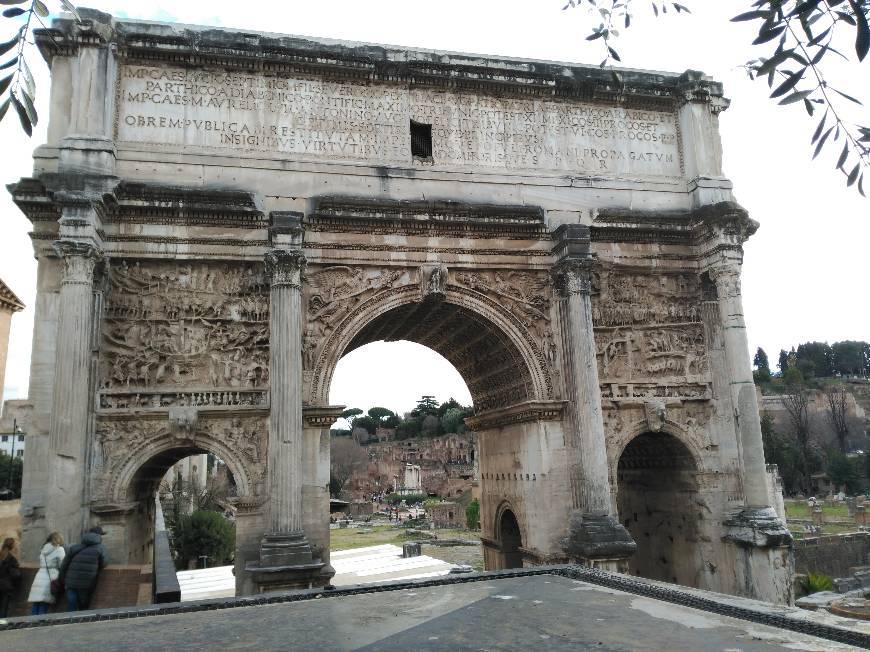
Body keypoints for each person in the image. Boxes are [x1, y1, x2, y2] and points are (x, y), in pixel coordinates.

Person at [59, 526, 107, 611]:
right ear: (99, 536)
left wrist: (62, 579)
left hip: (71, 581)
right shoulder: (100, 548)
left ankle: (70, 621)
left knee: (71, 604)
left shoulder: (74, 547)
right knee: (83, 606)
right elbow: (104, 563)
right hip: (87, 581)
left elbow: (64, 564)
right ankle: (81, 623)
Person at [27, 532, 66, 615]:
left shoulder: (43, 549)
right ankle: (40, 623)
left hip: (40, 574)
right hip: (51, 576)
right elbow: (62, 564)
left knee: (36, 601)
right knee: (45, 601)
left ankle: (32, 621)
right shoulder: (59, 549)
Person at [0, 537, 22, 618]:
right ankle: (2, 627)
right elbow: (16, 575)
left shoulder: (1, 555)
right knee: (4, 608)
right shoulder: (11, 559)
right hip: (6, 587)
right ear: (12, 546)